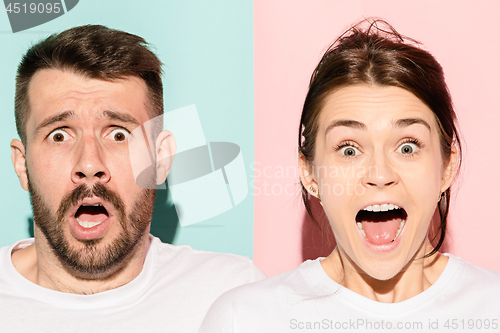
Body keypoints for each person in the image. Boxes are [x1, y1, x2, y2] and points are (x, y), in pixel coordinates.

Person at [199, 19, 500, 332]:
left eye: (408, 147)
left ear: (447, 168)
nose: (379, 174)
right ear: (310, 174)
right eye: (349, 150)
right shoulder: (246, 319)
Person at [1, 25, 265, 333]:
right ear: (22, 164)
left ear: (160, 158)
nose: (89, 163)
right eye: (59, 135)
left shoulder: (231, 294)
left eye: (118, 134)